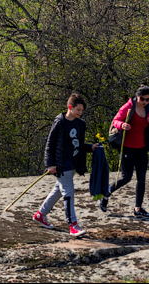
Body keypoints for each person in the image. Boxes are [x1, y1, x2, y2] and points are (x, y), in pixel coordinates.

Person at [33, 93, 101, 236]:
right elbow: (50, 144)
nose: (80, 112)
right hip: (62, 164)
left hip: (73, 163)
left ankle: (40, 214)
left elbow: (78, 144)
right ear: (70, 107)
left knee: (58, 190)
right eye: (78, 109)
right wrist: (49, 164)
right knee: (68, 192)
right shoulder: (59, 122)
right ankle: (73, 225)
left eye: (82, 110)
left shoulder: (80, 123)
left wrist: (90, 147)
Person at [100, 85, 149, 218]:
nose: (145, 102)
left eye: (148, 99)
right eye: (143, 99)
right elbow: (115, 121)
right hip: (127, 147)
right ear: (137, 96)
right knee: (126, 177)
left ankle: (138, 209)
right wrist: (122, 125)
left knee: (141, 178)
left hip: (142, 148)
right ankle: (106, 195)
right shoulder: (128, 107)